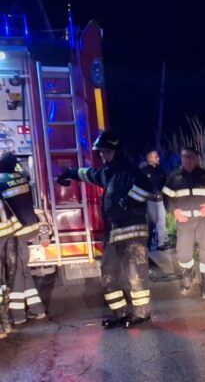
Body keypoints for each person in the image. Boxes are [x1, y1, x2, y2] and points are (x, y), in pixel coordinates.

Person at [57, 131, 154, 329]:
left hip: (133, 232)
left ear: (117, 151)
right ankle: (119, 313)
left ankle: (141, 313)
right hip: (114, 234)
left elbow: (147, 188)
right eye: (101, 153)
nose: (103, 156)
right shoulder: (108, 173)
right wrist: (70, 173)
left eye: (107, 152)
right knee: (108, 275)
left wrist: (128, 201)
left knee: (135, 275)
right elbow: (89, 173)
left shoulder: (131, 171)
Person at [162, 147, 205, 301]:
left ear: (197, 158)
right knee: (183, 254)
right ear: (181, 159)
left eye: (191, 157)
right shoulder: (174, 178)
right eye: (185, 157)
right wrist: (174, 211)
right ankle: (188, 274)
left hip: (204, 221)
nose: (188, 160)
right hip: (185, 221)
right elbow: (166, 197)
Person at [0, 151, 46, 325]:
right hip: (30, 228)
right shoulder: (22, 176)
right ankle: (37, 309)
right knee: (23, 271)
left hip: (17, 232)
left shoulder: (1, 180)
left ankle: (18, 315)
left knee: (16, 274)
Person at [140, 150, 168, 250]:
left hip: (160, 200)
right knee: (150, 223)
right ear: (150, 158)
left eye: (158, 156)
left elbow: (166, 184)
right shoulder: (143, 172)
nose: (158, 158)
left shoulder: (162, 171)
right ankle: (147, 244)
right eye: (155, 157)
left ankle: (161, 243)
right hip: (149, 201)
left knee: (162, 221)